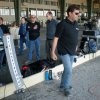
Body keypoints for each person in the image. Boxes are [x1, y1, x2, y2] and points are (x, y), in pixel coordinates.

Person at [51, 4, 80, 96]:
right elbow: (55, 38)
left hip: (72, 51)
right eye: (76, 13)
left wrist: (76, 46)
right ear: (70, 13)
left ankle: (62, 85)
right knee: (69, 70)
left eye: (78, 13)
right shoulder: (62, 24)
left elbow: (75, 36)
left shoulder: (75, 23)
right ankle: (66, 88)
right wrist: (52, 52)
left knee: (67, 69)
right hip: (63, 51)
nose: (77, 15)